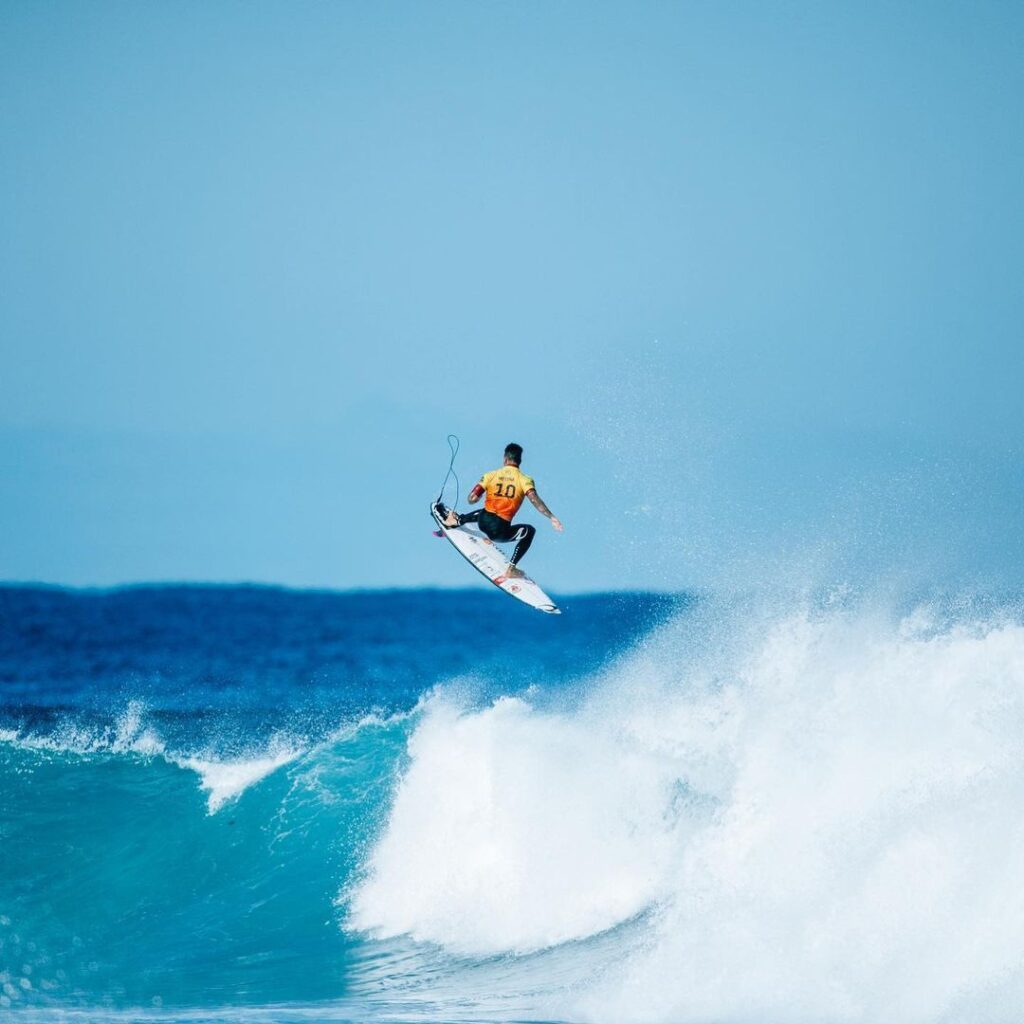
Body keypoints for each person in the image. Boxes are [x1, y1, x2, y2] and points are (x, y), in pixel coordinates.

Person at [443, 442, 563, 578]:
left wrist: (478, 497)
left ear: (505, 459)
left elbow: (471, 499)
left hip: (482, 521)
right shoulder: (524, 480)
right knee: (530, 531)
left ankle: (456, 520)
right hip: (499, 532)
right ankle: (511, 569)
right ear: (519, 461)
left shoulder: (490, 475)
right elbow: (535, 500)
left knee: (486, 510)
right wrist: (551, 517)